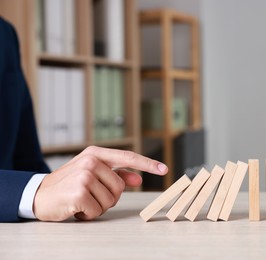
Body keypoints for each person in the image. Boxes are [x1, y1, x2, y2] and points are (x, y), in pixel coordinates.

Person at [0, 17, 168, 222]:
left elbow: (26, 161)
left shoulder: (6, 33)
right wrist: (29, 193)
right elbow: (32, 189)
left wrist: (65, 187)